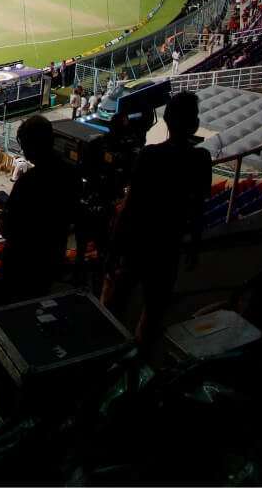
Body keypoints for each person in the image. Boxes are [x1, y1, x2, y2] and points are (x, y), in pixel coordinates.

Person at [103, 90, 211, 344]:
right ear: (194, 123)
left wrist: (113, 247)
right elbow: (197, 207)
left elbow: (130, 206)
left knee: (113, 305)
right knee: (154, 311)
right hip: (169, 246)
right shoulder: (201, 159)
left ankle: (105, 357)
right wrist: (194, 245)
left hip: (138, 243)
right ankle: (141, 364)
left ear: (166, 120)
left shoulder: (149, 156)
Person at [0, 116, 79, 306]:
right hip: (53, 257)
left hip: (21, 263)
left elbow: (7, 230)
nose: (24, 150)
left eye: (25, 144)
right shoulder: (71, 172)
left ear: (33, 144)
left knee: (1, 311)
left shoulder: (30, 181)